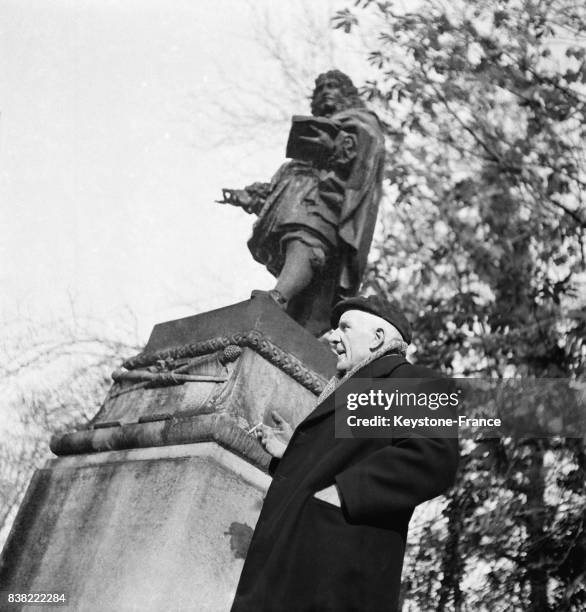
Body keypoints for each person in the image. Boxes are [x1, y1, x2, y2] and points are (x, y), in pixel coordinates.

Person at [230, 295, 459, 612]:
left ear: (378, 338)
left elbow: (432, 456)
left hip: (332, 579)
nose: (332, 337)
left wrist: (343, 494)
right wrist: (293, 454)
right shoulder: (352, 388)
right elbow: (346, 455)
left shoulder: (413, 381)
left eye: (344, 328)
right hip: (281, 575)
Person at [219, 71, 386, 336]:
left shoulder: (361, 121)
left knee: (308, 241)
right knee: (303, 285)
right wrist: (254, 197)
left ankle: (278, 296)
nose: (326, 92)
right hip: (300, 194)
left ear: (347, 93)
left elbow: (364, 153)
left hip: (325, 198)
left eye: (333, 86)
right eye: (320, 88)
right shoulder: (318, 129)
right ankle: (287, 315)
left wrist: (332, 145)